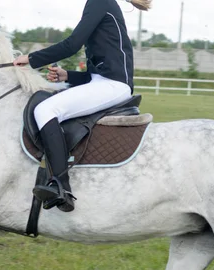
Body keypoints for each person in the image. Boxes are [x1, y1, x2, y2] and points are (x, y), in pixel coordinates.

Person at [14, 0, 151, 212]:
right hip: (105, 82)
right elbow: (99, 70)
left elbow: (72, 44)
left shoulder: (100, 1)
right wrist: (68, 76)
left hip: (113, 86)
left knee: (46, 110)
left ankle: (60, 186)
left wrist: (31, 59)